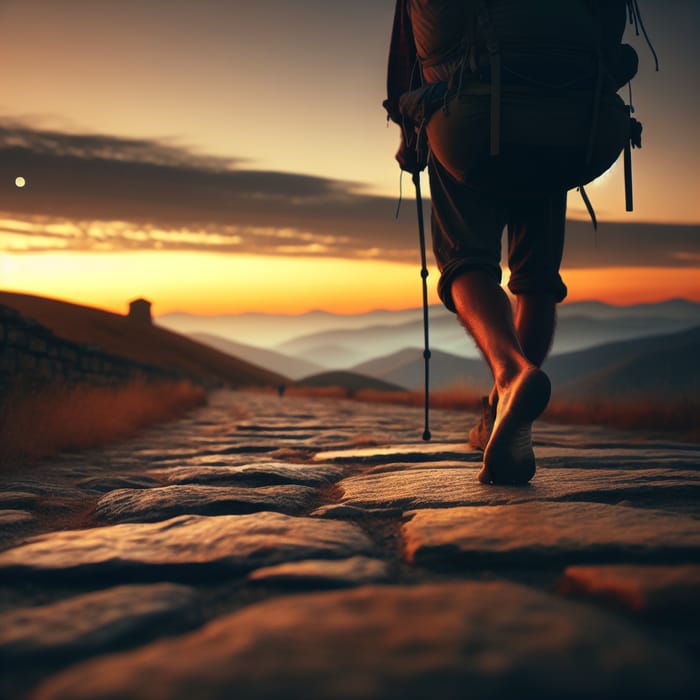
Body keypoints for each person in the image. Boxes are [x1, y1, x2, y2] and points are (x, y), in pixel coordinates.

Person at [385, 0, 639, 484]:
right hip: (569, 119)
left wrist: (407, 132)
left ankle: (510, 374)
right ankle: (503, 411)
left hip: (469, 120)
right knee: (536, 278)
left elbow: (408, 55)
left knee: (466, 262)